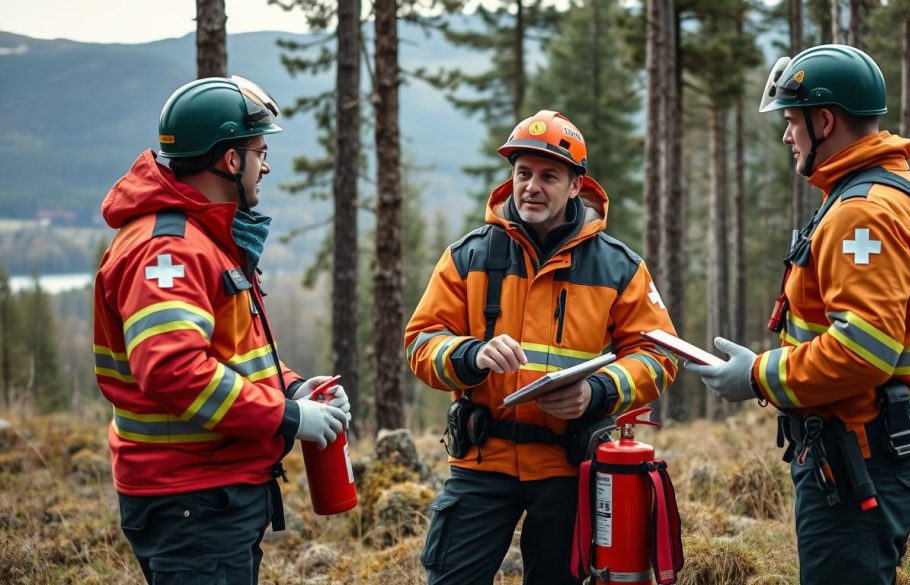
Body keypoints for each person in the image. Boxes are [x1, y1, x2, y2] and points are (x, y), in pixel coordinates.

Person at [685, 45, 910, 584]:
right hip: (868, 448)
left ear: (824, 120)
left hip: (860, 456)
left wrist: (756, 375)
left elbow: (863, 350)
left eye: (791, 120)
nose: (787, 135)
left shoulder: (864, 215)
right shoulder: (874, 192)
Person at [93, 76, 351, 584]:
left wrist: (293, 387)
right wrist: (287, 415)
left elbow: (232, 353)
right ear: (229, 161)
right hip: (191, 496)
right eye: (259, 151)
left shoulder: (203, 239)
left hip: (208, 492)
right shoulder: (169, 249)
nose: (267, 164)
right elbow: (174, 372)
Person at [405, 110, 679, 585]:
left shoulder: (618, 267)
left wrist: (597, 392)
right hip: (480, 463)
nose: (532, 186)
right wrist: (470, 356)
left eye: (549, 175)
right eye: (523, 173)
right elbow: (420, 343)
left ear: (576, 186)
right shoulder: (467, 256)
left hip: (568, 469)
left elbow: (661, 355)